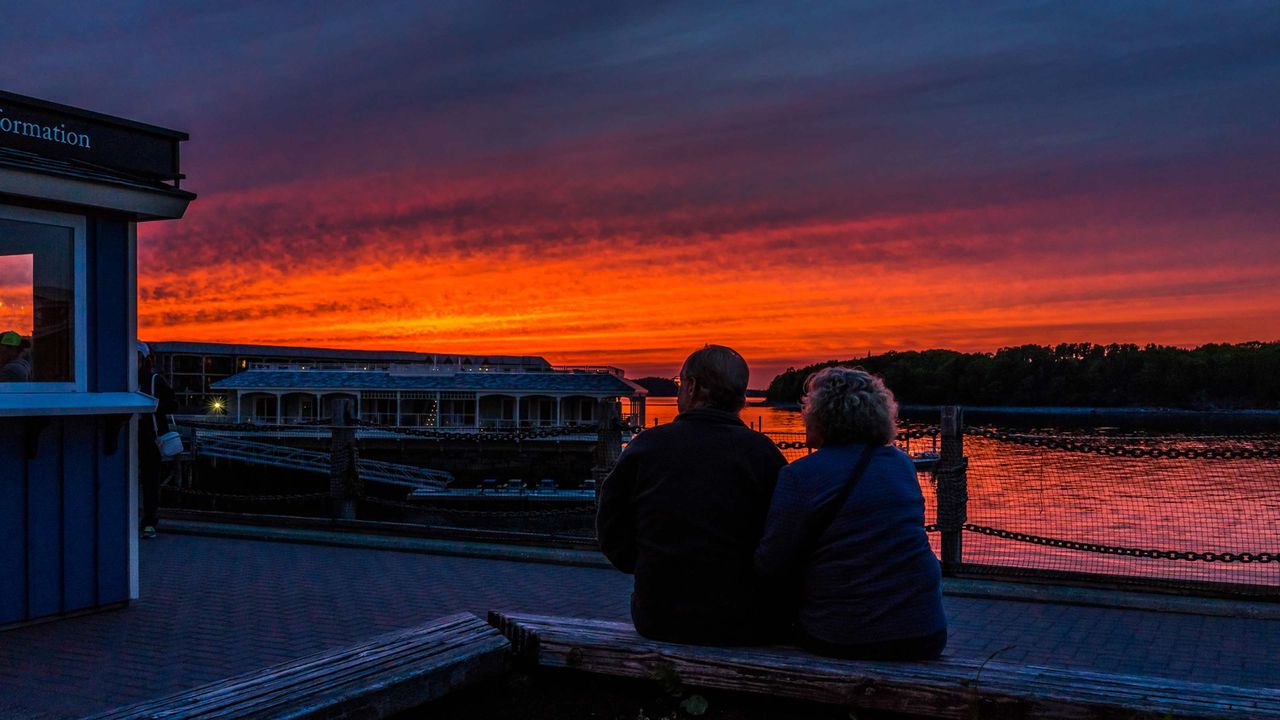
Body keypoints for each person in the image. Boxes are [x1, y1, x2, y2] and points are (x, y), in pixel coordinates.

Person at [597, 345, 788, 644]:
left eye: (679, 383)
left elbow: (611, 528)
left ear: (692, 387)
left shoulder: (647, 447)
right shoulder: (764, 454)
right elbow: (781, 539)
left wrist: (650, 565)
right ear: (740, 395)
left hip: (659, 616)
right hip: (743, 620)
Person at [755, 367, 946, 660]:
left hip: (844, 635)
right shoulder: (902, 465)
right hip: (925, 632)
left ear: (822, 414)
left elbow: (772, 564)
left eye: (807, 407)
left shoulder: (800, 476)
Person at [137, 341, 177, 539]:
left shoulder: (154, 380)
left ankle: (149, 520)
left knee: (150, 480)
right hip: (127, 435)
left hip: (151, 438)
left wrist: (151, 408)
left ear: (144, 359)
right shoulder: (120, 379)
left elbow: (173, 403)